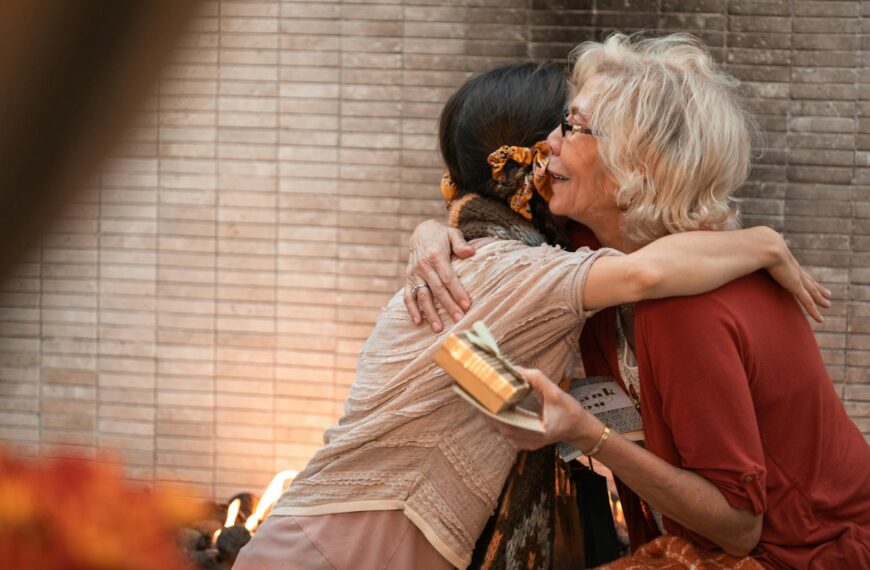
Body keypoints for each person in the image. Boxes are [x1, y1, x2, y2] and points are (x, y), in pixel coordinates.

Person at [234, 61, 826, 570]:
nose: (560, 142)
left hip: (331, 540)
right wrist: (765, 242)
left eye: (575, 128)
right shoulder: (515, 273)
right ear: (532, 163)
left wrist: (433, 231)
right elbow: (645, 272)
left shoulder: (499, 265)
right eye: (560, 127)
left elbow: (492, 395)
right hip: (335, 552)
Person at [405, 33, 870, 568]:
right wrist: (430, 234)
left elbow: (740, 530)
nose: (547, 144)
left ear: (637, 167)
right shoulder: (595, 250)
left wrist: (587, 432)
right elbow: (498, 259)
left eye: (573, 127)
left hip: (800, 554)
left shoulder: (687, 307)